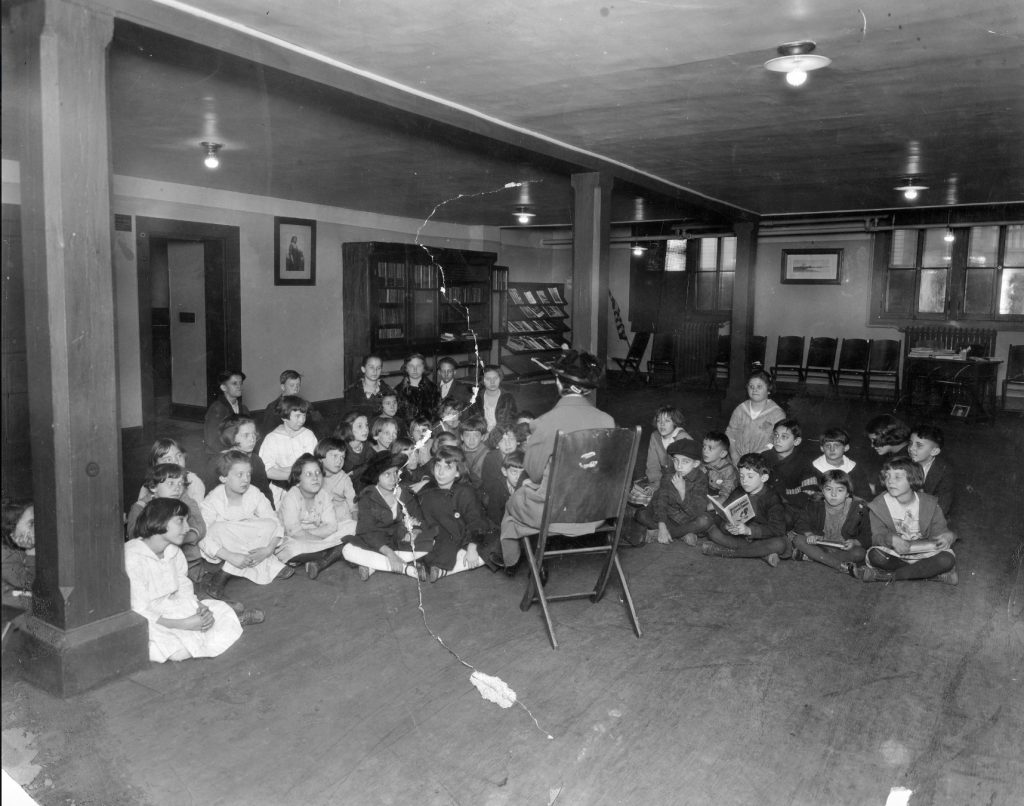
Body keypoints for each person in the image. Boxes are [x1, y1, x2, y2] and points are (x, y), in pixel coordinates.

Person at [498, 349, 614, 570]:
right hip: (596, 513)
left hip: (556, 514)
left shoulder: (546, 422)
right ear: (588, 389)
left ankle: (513, 562)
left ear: (559, 384)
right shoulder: (607, 420)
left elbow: (534, 472)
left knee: (514, 504)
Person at [125, 498, 258, 664]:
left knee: (213, 612)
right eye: (181, 521)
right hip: (145, 616)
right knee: (177, 651)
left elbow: (183, 586)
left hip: (171, 606)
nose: (187, 528)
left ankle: (230, 620)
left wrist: (199, 607)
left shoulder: (172, 550)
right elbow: (139, 610)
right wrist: (185, 623)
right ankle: (232, 621)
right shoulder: (132, 557)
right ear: (158, 520)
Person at [199, 450, 292, 594]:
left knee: (270, 524)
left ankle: (226, 572)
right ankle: (265, 565)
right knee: (216, 529)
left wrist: (268, 550)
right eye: (239, 475)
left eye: (248, 474)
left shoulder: (254, 493)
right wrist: (230, 556)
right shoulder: (213, 500)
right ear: (224, 478)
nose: (246, 479)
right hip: (227, 550)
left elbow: (274, 522)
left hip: (249, 544)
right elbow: (203, 535)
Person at [856, 456, 958, 584]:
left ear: (912, 479)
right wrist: (890, 539)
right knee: (876, 556)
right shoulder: (878, 505)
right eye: (887, 476)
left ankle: (887, 576)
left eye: (897, 477)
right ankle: (929, 575)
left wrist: (947, 536)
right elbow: (877, 537)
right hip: (894, 553)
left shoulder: (929, 503)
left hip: (924, 552)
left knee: (946, 559)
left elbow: (940, 531)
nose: (890, 481)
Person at [342, 452, 438, 581]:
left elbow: (417, 516)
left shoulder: (403, 491)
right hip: (377, 542)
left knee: (431, 542)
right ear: (377, 477)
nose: (393, 478)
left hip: (400, 539)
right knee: (348, 550)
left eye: (395, 473)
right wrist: (390, 554)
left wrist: (414, 530)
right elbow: (366, 532)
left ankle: (374, 565)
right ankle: (407, 569)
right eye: (387, 474)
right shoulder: (367, 497)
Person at [415, 446, 494, 582]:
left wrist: (472, 546)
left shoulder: (465, 492)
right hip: (441, 537)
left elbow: (476, 520)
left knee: (491, 548)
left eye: (448, 468)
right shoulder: (427, 492)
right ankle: (435, 565)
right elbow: (423, 519)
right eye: (438, 466)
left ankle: (443, 570)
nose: (440, 472)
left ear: (457, 473)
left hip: (465, 535)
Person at [701, 452, 789, 567]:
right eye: (741, 476)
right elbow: (722, 515)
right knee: (712, 531)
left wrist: (749, 531)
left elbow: (778, 528)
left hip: (762, 538)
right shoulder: (739, 491)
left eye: (750, 476)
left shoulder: (772, 498)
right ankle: (761, 554)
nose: (744, 481)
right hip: (740, 539)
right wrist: (727, 526)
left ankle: (725, 552)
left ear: (764, 477)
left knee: (780, 544)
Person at [126, 464, 207, 582]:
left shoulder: (185, 502)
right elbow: (135, 536)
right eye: (171, 483)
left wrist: (178, 538)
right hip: (153, 564)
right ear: (154, 487)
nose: (177, 488)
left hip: (189, 563)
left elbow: (200, 527)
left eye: (180, 483)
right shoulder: (140, 507)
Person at [276, 455, 350, 580]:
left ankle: (319, 559)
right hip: (294, 541)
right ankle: (332, 553)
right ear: (298, 478)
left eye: (318, 473)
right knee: (291, 549)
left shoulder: (324, 495)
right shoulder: (291, 497)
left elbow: (332, 527)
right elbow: (293, 532)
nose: (315, 478)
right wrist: (323, 541)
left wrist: (316, 537)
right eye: (309, 474)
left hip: (318, 539)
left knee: (350, 526)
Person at [634, 440, 712, 546]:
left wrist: (682, 490)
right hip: (667, 518)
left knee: (705, 521)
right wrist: (662, 526)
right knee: (640, 514)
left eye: (685, 462)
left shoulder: (701, 478)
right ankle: (680, 534)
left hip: (687, 520)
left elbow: (697, 511)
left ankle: (660, 534)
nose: (679, 466)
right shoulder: (669, 475)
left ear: (696, 463)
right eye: (676, 461)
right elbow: (661, 501)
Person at [790, 469, 869, 573]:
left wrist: (854, 542)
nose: (833, 494)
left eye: (840, 490)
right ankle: (838, 565)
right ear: (822, 491)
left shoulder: (859, 509)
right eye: (828, 489)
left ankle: (814, 557)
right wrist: (809, 535)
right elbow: (801, 522)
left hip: (841, 548)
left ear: (847, 493)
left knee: (859, 553)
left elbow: (867, 536)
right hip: (819, 544)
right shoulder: (814, 504)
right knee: (798, 539)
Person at [206, 414, 275, 506]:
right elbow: (210, 497)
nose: (252, 439)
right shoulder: (217, 462)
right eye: (246, 435)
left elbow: (265, 492)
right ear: (231, 437)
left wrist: (271, 513)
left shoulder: (256, 460)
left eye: (254, 434)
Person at [258, 395, 318, 491]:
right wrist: (294, 475)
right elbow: (267, 470)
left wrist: (283, 469)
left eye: (304, 415)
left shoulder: (308, 435)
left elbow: (313, 463)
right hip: (281, 489)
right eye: (297, 416)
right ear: (284, 417)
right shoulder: (272, 438)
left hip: (306, 486)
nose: (302, 420)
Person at [725, 370, 785, 465]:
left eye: (759, 387)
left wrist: (755, 456)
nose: (754, 390)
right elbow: (730, 433)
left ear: (769, 390)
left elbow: (776, 440)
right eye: (751, 386)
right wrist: (734, 454)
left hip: (762, 459)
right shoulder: (740, 409)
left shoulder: (776, 413)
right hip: (737, 458)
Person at [765, 419, 817, 523]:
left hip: (790, 506)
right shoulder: (764, 457)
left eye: (784, 437)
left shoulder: (804, 463)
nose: (778, 440)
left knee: (782, 521)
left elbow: (810, 492)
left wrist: (784, 501)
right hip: (765, 502)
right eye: (776, 435)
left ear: (796, 441)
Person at [908, 424, 956, 519]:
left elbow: (943, 505)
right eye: (910, 443)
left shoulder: (945, 471)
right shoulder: (903, 463)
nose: (911, 448)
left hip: (929, 515)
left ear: (934, 451)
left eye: (919, 445)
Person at [809, 427, 872, 500]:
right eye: (827, 445)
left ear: (846, 447)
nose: (832, 449)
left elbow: (864, 495)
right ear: (822, 448)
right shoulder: (813, 468)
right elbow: (812, 495)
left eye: (836, 445)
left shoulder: (854, 468)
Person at [260, 370, 324, 441]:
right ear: (283, 387)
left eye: (298, 385)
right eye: (292, 385)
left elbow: (318, 429)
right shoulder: (273, 407)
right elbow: (267, 435)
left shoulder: (307, 405)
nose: (296, 389)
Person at [139, 438, 206, 505]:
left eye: (179, 456)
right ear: (156, 465)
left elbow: (196, 511)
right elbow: (139, 508)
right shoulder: (149, 484)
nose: (176, 461)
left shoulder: (193, 481)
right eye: (168, 459)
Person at [466, 364, 517, 441]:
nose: (492, 382)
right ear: (483, 380)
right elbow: (473, 421)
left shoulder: (508, 398)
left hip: (502, 435)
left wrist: (495, 434)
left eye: (495, 378)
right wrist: (483, 433)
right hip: (481, 436)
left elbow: (511, 421)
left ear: (500, 378)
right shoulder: (476, 399)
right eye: (488, 378)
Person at [645, 406, 693, 489]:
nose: (662, 424)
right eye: (659, 420)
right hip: (665, 477)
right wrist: (656, 482)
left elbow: (688, 470)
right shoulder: (655, 436)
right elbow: (652, 463)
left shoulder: (683, 438)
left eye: (667, 420)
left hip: (685, 479)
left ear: (675, 422)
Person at [203, 370, 249, 456]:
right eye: (234, 383)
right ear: (223, 388)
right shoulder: (217, 409)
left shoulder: (243, 409)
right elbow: (211, 440)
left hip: (237, 451)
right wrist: (233, 452)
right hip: (219, 454)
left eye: (240, 383)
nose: (239, 386)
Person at [315, 437, 358, 523]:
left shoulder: (344, 479)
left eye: (342, 457)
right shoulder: (314, 475)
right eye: (335, 456)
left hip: (340, 517)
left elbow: (353, 506)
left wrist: (356, 524)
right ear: (321, 458)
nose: (339, 460)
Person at [863, 414, 911, 490]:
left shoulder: (905, 458)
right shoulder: (897, 452)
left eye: (875, 441)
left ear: (888, 436)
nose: (872, 445)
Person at [2, 500, 34, 607]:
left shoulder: (20, 548)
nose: (37, 528)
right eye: (31, 523)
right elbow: (30, 583)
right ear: (11, 530)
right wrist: (31, 552)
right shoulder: (5, 557)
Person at [481, 449, 524, 526]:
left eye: (522, 473)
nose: (518, 477)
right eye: (514, 472)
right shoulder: (497, 487)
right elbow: (494, 515)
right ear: (504, 472)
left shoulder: (526, 486)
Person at [394, 353, 439, 423]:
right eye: (411, 366)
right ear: (406, 368)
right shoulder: (398, 391)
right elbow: (397, 418)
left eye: (418, 366)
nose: (415, 369)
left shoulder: (433, 388)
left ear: (424, 368)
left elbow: (437, 414)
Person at [336, 411, 372, 487]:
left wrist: (355, 472)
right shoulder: (340, 450)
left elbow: (372, 464)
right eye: (360, 426)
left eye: (366, 425)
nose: (366, 430)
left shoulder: (366, 444)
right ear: (348, 428)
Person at [702, 431, 738, 505]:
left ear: (722, 454)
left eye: (710, 448)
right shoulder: (703, 462)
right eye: (704, 446)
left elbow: (725, 495)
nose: (705, 451)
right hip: (706, 491)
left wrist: (707, 506)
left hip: (722, 495)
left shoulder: (728, 471)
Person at [458, 415, 491, 488]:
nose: (471, 440)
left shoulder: (487, 454)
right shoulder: (457, 452)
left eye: (476, 436)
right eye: (467, 435)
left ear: (482, 437)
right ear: (461, 437)